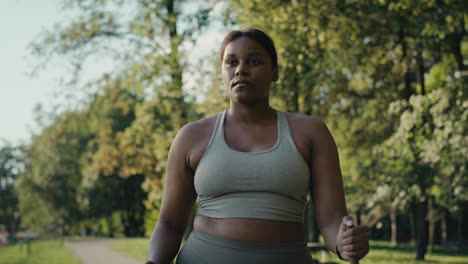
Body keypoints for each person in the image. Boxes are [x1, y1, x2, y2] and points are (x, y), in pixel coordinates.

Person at [147, 28, 370, 264]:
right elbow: (169, 224)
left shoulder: (311, 133)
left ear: (274, 72)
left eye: (254, 61)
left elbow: (332, 219)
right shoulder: (191, 137)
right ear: (222, 72)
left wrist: (344, 243)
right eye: (231, 62)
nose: (240, 70)